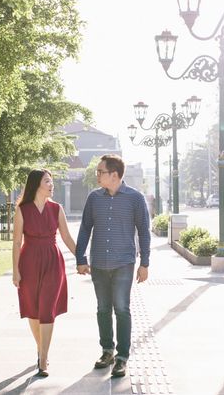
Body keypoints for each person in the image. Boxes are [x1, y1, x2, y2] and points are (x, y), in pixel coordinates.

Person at [75, 154, 151, 378]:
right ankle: (107, 351)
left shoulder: (135, 198)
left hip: (124, 263)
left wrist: (145, 262)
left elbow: (144, 232)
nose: (97, 175)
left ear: (114, 175)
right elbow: (85, 228)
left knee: (122, 308)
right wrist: (81, 258)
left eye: (101, 172)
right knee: (102, 309)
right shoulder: (93, 198)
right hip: (98, 262)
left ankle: (122, 357)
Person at [12, 169, 77, 377]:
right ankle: (41, 349)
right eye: (47, 181)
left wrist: (82, 258)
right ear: (36, 184)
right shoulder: (22, 210)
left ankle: (43, 359)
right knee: (33, 309)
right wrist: (15, 271)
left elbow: (66, 237)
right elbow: (16, 242)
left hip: (52, 261)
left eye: (52, 182)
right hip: (29, 262)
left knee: (47, 310)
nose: (52, 185)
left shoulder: (57, 209)